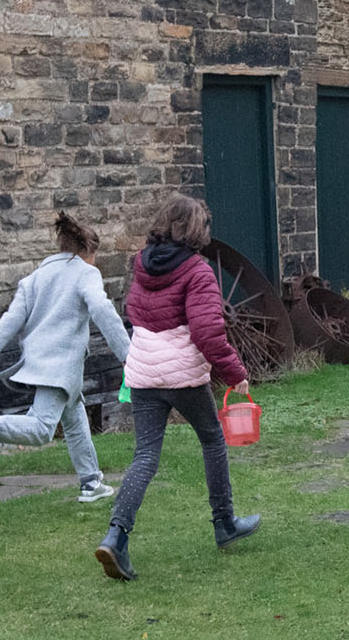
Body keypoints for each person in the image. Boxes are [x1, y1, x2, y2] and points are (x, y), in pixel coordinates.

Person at [94, 194, 258, 581]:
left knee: (146, 455)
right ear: (198, 229)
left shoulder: (142, 263)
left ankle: (116, 536)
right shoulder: (198, 271)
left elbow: (133, 312)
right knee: (213, 439)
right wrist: (235, 373)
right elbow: (207, 332)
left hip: (144, 372)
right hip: (182, 373)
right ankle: (224, 523)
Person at [0, 213, 130, 503]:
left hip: (41, 364)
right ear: (88, 252)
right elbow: (103, 310)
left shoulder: (34, 279)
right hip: (60, 367)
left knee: (74, 418)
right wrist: (127, 354)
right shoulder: (86, 272)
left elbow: (10, 321)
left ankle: (91, 482)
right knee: (42, 430)